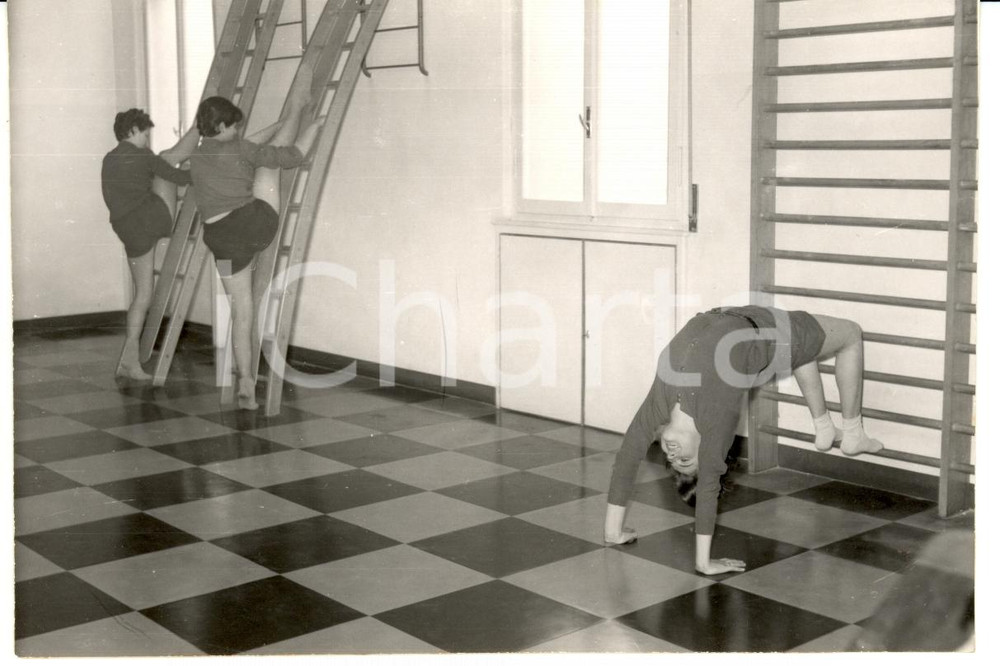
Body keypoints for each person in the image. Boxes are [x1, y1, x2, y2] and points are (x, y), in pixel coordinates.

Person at [603, 305, 884, 575]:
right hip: (766, 331)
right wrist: (704, 563)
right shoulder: (717, 415)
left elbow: (627, 456)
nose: (673, 454)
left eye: (671, 460)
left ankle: (823, 426)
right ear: (708, 445)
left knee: (801, 349)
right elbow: (709, 484)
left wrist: (613, 532)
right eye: (686, 460)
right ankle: (853, 432)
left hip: (743, 321)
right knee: (850, 334)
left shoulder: (660, 403)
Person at [189, 65, 321, 410]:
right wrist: (315, 126)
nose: (238, 130)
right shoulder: (242, 149)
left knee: (242, 313)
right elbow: (294, 155)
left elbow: (244, 144)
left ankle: (245, 380)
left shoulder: (199, 154)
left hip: (220, 240)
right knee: (271, 164)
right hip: (253, 226)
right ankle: (297, 108)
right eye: (234, 125)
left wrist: (278, 125)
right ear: (222, 126)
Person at [102, 109, 200, 380]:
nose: (148, 138)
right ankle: (198, 127)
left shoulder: (109, 159)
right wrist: (204, 172)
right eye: (146, 133)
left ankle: (129, 360)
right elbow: (179, 178)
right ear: (133, 131)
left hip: (128, 231)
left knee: (142, 295)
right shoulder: (144, 156)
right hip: (153, 221)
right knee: (168, 159)